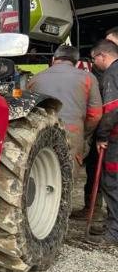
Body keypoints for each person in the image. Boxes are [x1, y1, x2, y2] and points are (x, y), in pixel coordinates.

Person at [27, 44, 102, 177]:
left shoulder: (35, 78)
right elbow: (95, 115)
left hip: (40, 135)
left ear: (54, 59)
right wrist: (84, 134)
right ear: (77, 62)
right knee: (67, 181)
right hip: (72, 134)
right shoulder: (88, 78)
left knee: (42, 177)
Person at [89, 39, 118, 246]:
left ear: (103, 56)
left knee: (112, 183)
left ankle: (114, 232)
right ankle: (112, 225)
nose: (93, 63)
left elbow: (112, 108)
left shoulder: (111, 74)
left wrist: (102, 136)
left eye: (94, 59)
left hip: (115, 139)